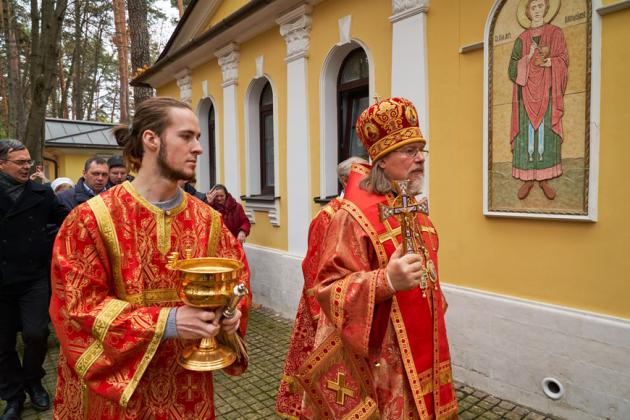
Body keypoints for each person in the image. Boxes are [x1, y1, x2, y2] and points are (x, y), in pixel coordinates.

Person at [49, 97, 252, 419]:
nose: (198, 148)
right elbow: (77, 306)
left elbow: (237, 279)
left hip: (188, 383)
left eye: (198, 138)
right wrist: (167, 322)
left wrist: (230, 314)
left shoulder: (208, 220)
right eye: (186, 136)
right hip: (117, 392)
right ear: (151, 139)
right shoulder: (90, 219)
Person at [292, 98, 457, 419]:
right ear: (381, 160)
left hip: (425, 346)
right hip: (381, 360)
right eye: (409, 151)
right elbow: (327, 289)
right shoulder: (353, 216)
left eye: (421, 150)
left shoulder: (413, 207)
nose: (420, 159)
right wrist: (386, 281)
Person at [276, 156, 367, 419]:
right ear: (345, 180)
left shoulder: (366, 212)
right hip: (327, 314)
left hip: (358, 309)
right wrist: (323, 315)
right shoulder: (328, 215)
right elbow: (313, 270)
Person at [0, 139, 68, 420]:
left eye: (29, 161)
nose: (27, 166)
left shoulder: (42, 193)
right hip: (1, 280)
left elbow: (69, 220)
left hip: (35, 278)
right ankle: (13, 397)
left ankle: (34, 381)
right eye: (20, 162)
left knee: (36, 333)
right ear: (1, 164)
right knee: (2, 344)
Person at [509, 0, 568, 200]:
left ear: (546, 8)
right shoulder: (521, 39)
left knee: (545, 132)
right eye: (533, 7)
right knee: (526, 135)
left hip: (548, 92)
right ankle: (527, 178)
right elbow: (512, 69)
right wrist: (528, 57)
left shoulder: (555, 34)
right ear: (527, 11)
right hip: (525, 95)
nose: (536, 11)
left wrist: (550, 62)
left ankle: (544, 179)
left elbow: (563, 60)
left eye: (540, 6)